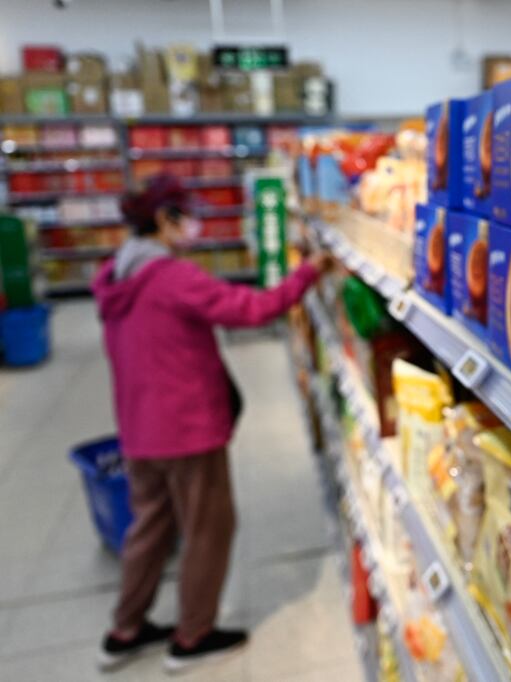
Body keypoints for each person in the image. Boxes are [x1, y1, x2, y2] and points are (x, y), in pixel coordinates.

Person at [91, 174, 331, 673]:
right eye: (186, 214)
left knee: (149, 529)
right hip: (187, 431)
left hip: (139, 430)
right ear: (164, 220)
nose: (194, 224)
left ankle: (124, 629)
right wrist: (308, 272)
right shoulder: (173, 278)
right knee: (208, 528)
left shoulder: (117, 274)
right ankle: (193, 636)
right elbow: (255, 309)